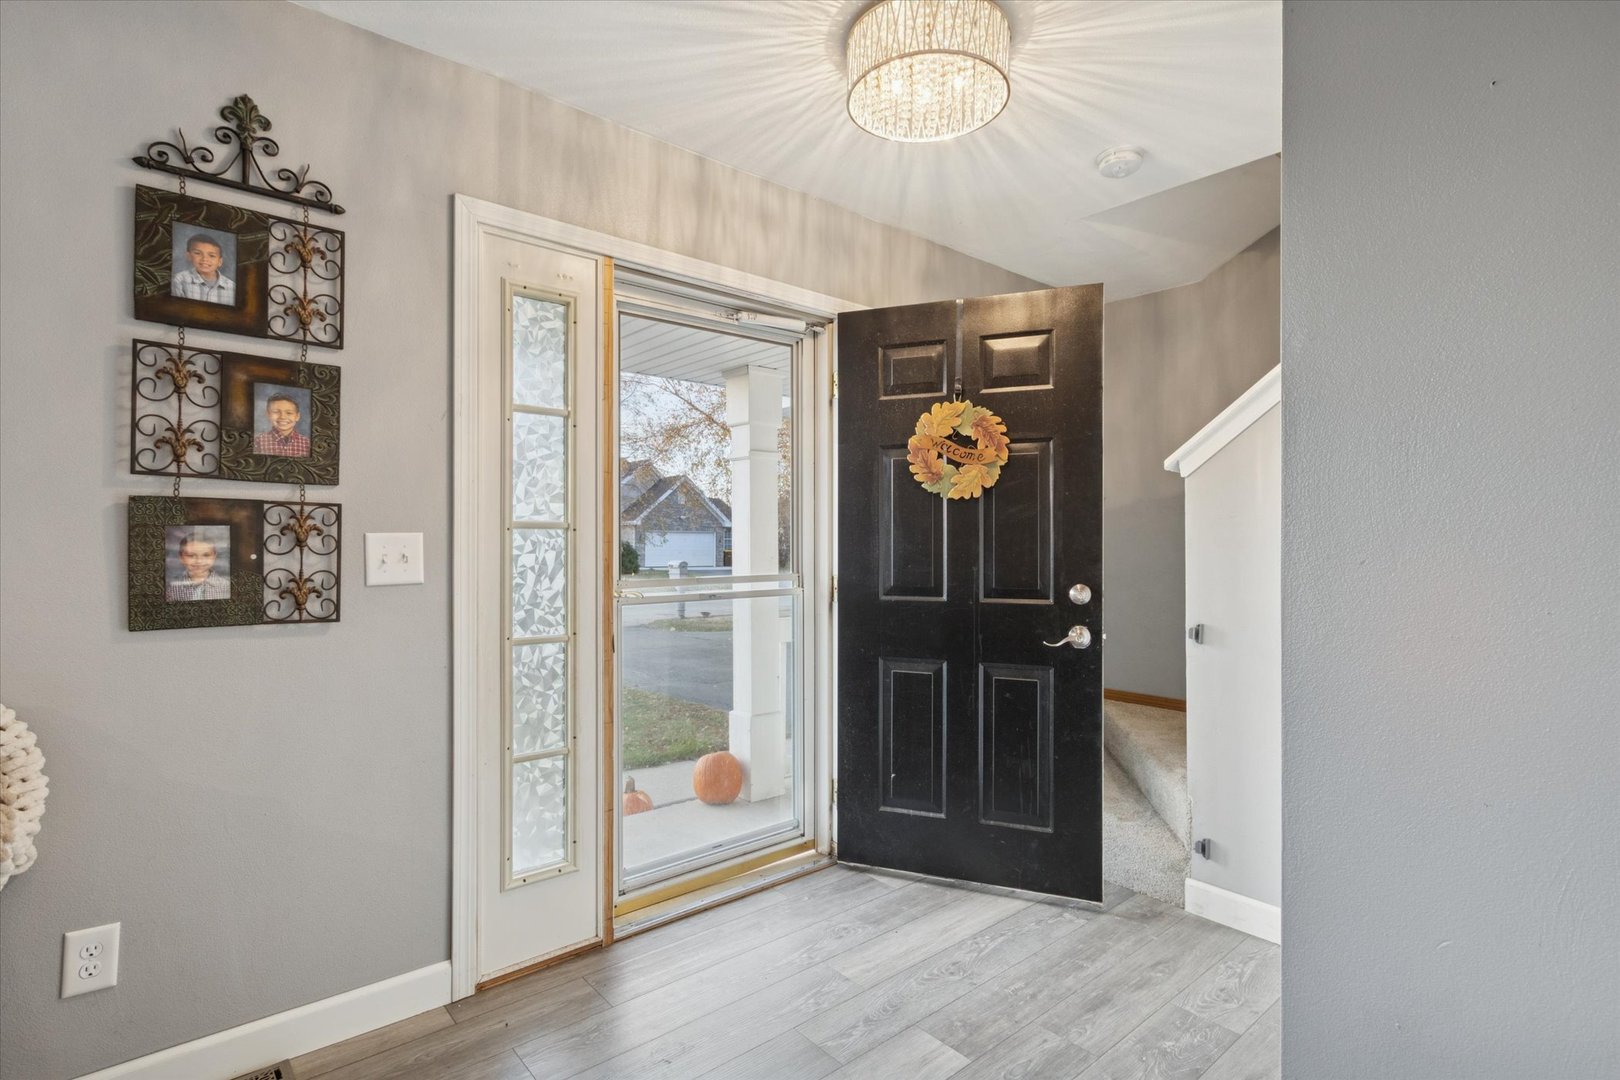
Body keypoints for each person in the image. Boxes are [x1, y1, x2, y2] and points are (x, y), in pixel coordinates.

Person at [171, 232, 235, 305]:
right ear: (188, 256)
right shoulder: (179, 280)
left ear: (220, 262)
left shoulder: (232, 287)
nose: (205, 259)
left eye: (212, 255)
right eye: (197, 253)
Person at [166, 532, 231, 602]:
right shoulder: (171, 588)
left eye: (206, 555)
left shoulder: (227, 587)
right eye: (191, 555)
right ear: (181, 557)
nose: (199, 561)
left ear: (214, 557)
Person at [253, 392, 310, 457]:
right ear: (268, 415)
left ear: (297, 416)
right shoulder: (258, 442)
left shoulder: (307, 443)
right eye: (276, 412)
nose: (282, 417)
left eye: (289, 413)